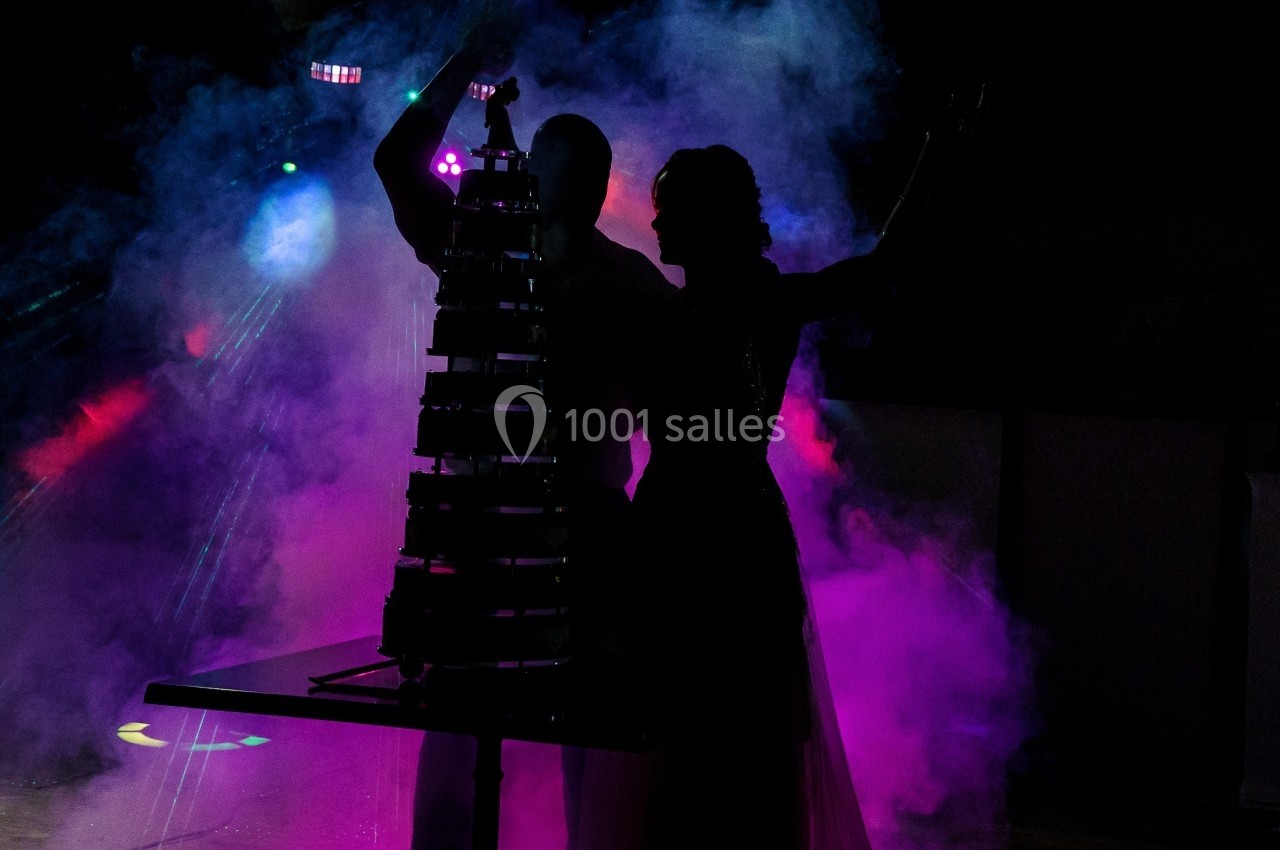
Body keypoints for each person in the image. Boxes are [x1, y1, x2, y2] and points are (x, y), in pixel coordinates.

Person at [575, 94, 986, 850]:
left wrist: (932, 153)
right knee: (693, 727)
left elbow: (880, 268)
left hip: (711, 532)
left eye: (670, 209)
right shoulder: (681, 303)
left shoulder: (741, 303)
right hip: (696, 527)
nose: (657, 221)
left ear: (710, 217)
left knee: (722, 726)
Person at [372, 13, 678, 850]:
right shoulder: (626, 283)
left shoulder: (493, 248)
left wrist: (467, 57)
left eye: (529, 156)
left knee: (475, 711)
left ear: (545, 179)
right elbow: (683, 415)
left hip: (506, 523)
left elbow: (397, 159)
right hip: (570, 523)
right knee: (567, 726)